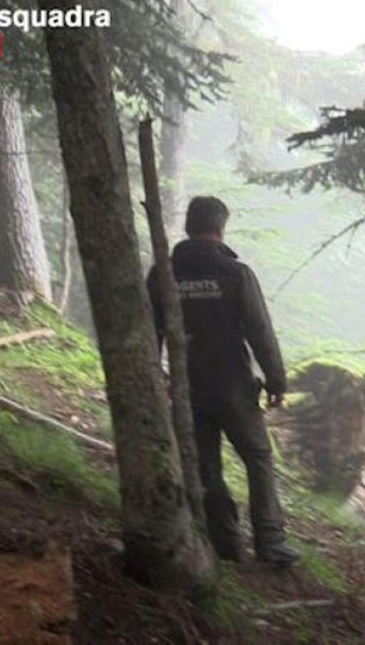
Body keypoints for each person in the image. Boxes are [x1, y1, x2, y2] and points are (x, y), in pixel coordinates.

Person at [147, 195, 299, 566]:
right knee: (258, 457)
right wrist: (276, 380)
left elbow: (151, 332)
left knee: (206, 466)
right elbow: (259, 331)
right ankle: (270, 541)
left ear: (188, 226)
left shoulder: (163, 273)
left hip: (187, 388)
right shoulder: (236, 274)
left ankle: (226, 542)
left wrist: (158, 378)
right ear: (220, 228)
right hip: (234, 386)